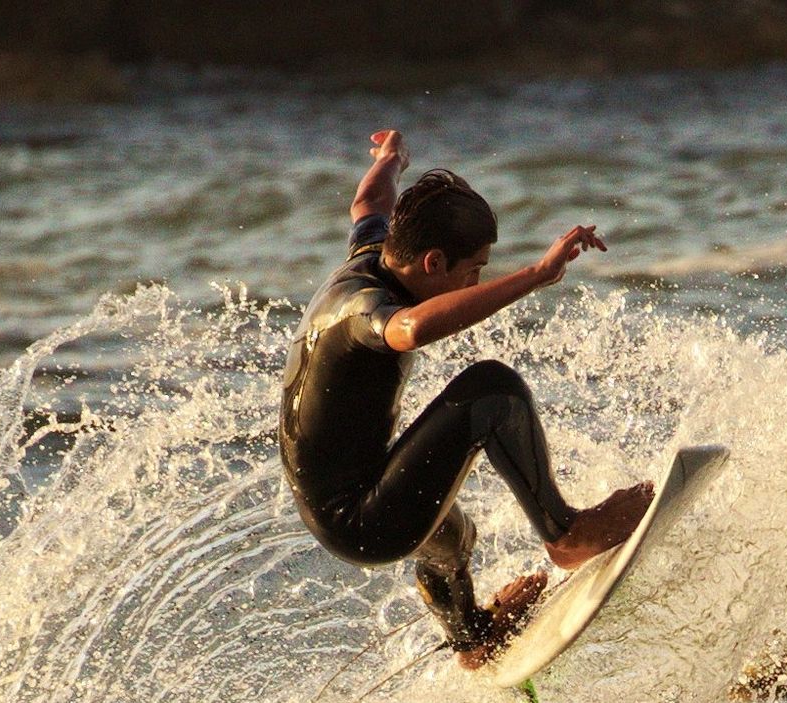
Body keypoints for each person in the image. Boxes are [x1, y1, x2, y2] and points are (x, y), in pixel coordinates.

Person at [280, 129, 654, 670]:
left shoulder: (373, 251)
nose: (477, 279)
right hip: (360, 521)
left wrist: (392, 159)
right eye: (473, 270)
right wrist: (534, 275)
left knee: (452, 533)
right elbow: (406, 331)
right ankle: (566, 534)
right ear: (432, 263)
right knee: (491, 390)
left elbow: (370, 201)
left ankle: (472, 639)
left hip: (348, 498)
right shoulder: (365, 308)